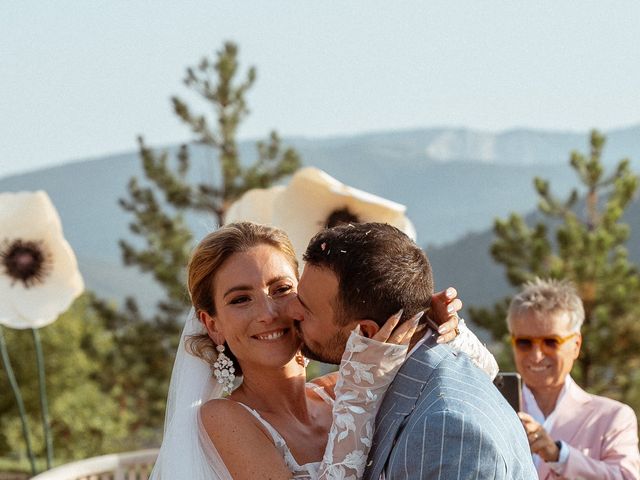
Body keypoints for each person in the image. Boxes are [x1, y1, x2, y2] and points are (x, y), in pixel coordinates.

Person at [150, 221, 497, 479]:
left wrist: (442, 328)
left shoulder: (340, 389)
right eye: (241, 299)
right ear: (213, 324)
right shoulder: (222, 418)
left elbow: (484, 375)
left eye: (281, 288)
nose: (268, 313)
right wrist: (360, 396)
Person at [289, 222, 537, 479]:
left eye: (306, 309)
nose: (290, 311)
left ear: (366, 334)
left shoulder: (447, 427)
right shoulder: (383, 386)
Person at [508, 278, 640, 479]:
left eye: (550, 342)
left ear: (576, 344)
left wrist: (559, 456)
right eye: (524, 342)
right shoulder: (495, 411)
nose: (536, 356)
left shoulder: (613, 418)